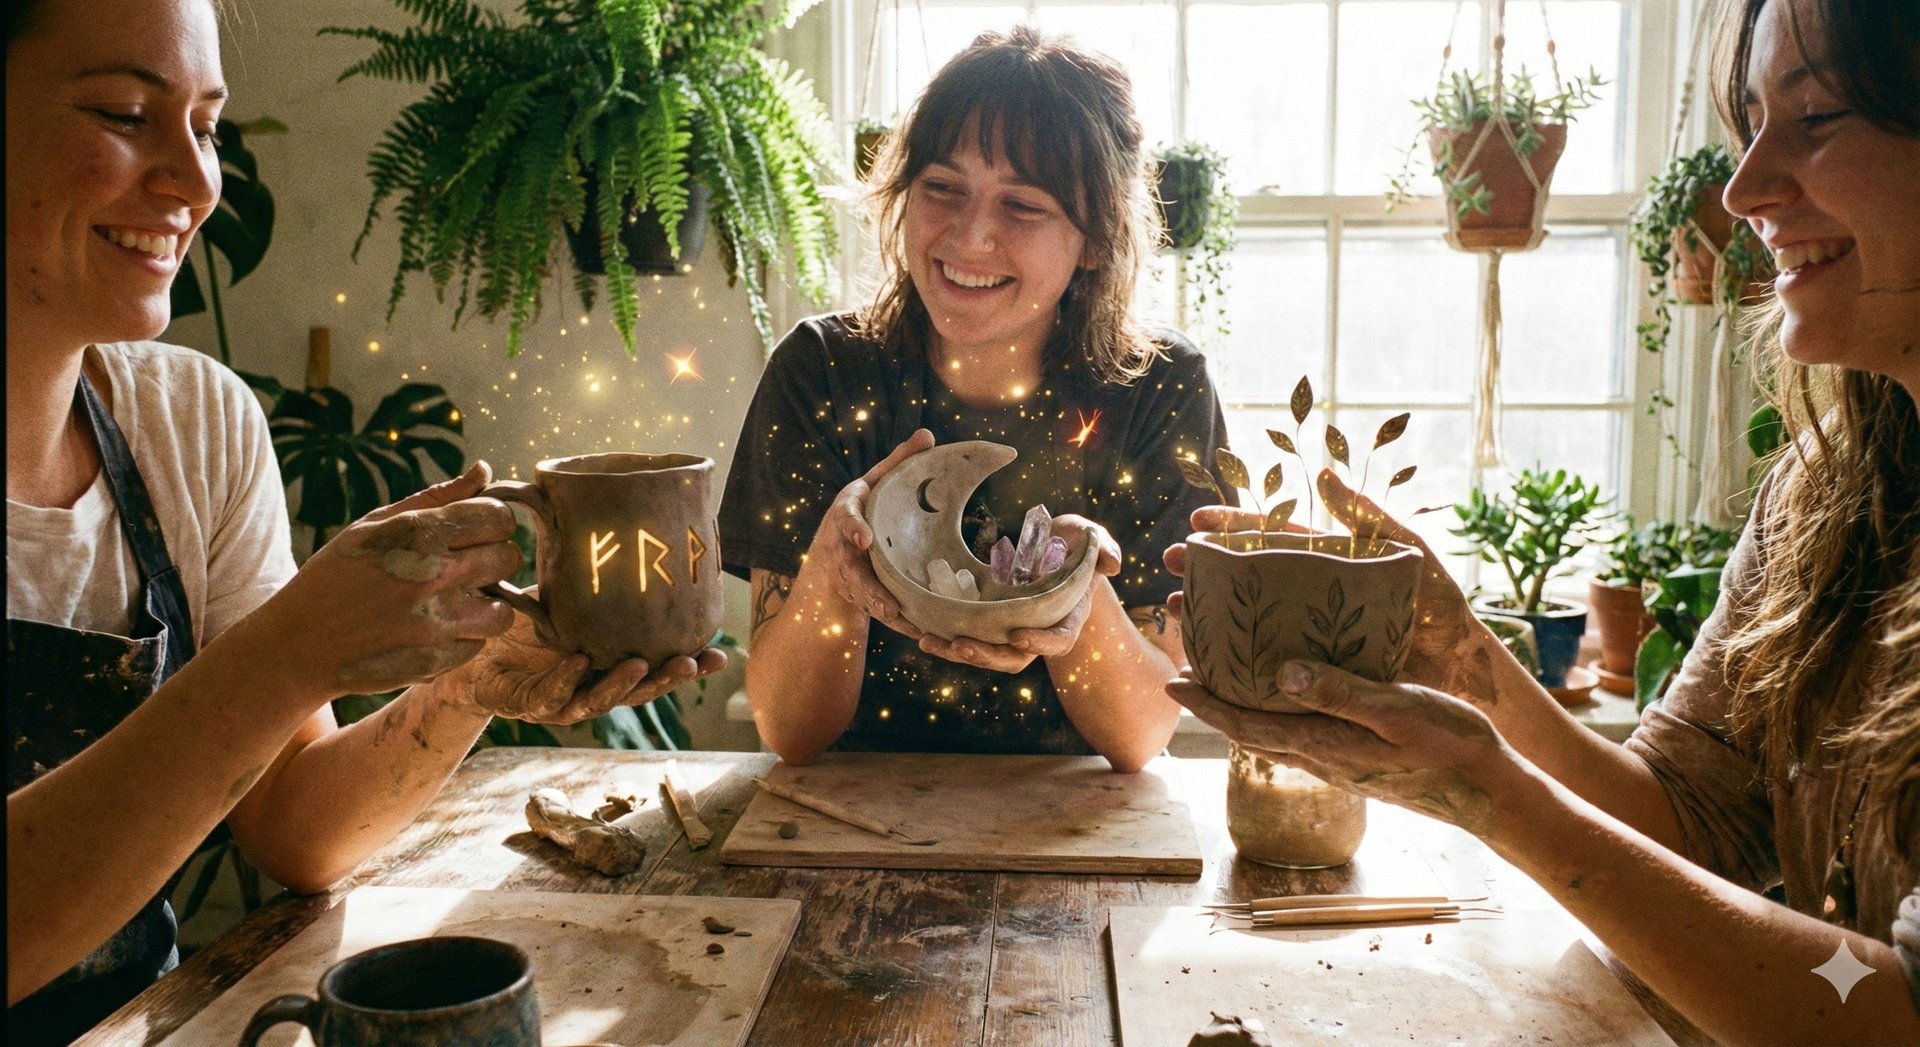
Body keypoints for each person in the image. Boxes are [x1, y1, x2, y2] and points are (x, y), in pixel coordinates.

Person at [1162, 0, 1920, 1041]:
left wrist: (1488, 796)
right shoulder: (1823, 493)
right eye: (1749, 122)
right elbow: (1682, 822)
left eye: (1818, 115)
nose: (1745, 189)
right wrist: (1462, 661)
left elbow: (1894, 1015)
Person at [4, 1, 723, 1039]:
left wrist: (469, 685)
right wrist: (282, 657)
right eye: (124, 113)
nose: (198, 182)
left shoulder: (189, 424)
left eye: (206, 125)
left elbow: (298, 830)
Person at [718, 26, 1229, 772]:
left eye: (1022, 205)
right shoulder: (822, 371)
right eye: (942, 188)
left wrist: (1075, 598)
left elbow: (1141, 735)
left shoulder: (1159, 386)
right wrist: (834, 563)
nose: (970, 235)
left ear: (1094, 239)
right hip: (854, 810)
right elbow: (789, 730)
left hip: (1076, 819)